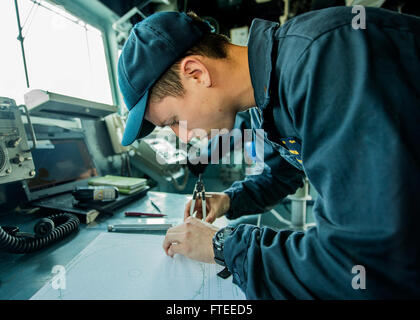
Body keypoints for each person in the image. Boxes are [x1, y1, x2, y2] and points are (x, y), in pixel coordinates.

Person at [117, 7, 420, 299]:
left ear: (196, 73)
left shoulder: (324, 58)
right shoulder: (264, 103)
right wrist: (228, 201)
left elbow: (366, 261)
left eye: (172, 121)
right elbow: (283, 174)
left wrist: (223, 244)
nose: (182, 137)